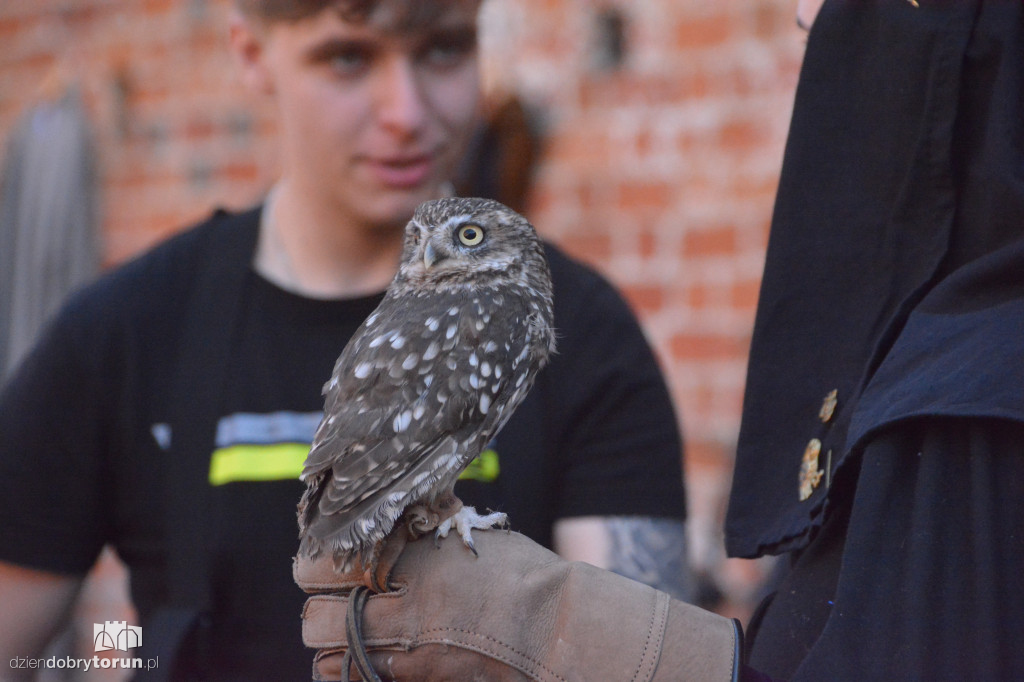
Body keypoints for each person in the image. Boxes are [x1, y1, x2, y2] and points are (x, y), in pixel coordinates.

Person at [294, 0, 1024, 679]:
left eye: (446, 50)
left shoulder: (971, 407)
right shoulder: (920, 370)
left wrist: (590, 640)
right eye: (347, 58)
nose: (805, 21)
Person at [0, 1, 692, 679]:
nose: (405, 112)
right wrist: (122, 652)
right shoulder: (120, 333)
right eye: (347, 57)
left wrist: (537, 640)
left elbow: (633, 653)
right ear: (251, 54)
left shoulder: (584, 331)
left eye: (444, 48)